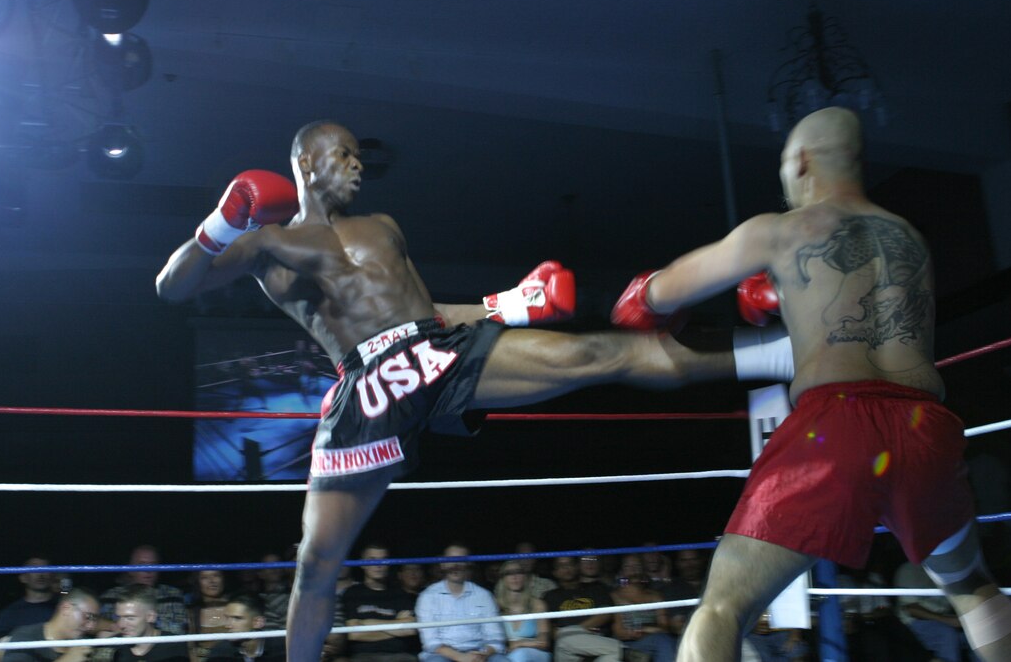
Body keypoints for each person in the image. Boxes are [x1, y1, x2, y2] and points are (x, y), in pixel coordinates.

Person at [155, 120, 790, 662]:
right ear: (306, 162)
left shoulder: (383, 226)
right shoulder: (269, 245)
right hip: (369, 386)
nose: (355, 166)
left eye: (357, 155)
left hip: (434, 353)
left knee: (599, 351)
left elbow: (428, 313)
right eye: (342, 154)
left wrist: (509, 304)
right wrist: (220, 221)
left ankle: (779, 350)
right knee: (317, 563)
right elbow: (172, 287)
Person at [611, 106, 1011, 661]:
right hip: (925, 427)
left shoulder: (783, 229)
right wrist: (787, 299)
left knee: (722, 605)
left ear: (801, 160)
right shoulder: (909, 238)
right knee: (973, 589)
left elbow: (659, 295)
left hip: (835, 427)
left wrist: (642, 296)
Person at [413, 544, 507, 662]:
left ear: (468, 564)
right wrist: (461, 657)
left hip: (479, 652)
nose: (455, 565)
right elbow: (430, 642)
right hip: (442, 655)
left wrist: (482, 654)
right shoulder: (427, 596)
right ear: (442, 564)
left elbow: (495, 637)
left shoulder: (484, 595)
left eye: (460, 560)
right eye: (450, 560)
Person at [341, 543, 420, 662]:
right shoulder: (352, 593)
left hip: (400, 656)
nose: (378, 565)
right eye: (372, 560)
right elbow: (354, 634)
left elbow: (409, 629)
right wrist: (396, 623)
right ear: (362, 564)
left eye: (383, 560)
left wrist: (366, 624)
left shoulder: (400, 594)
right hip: (363, 657)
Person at [541, 556, 620, 662]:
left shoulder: (596, 588)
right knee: (564, 639)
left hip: (597, 642)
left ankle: (621, 650)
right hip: (567, 648)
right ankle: (624, 649)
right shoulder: (550, 596)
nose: (567, 568)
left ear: (577, 566)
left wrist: (576, 630)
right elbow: (550, 629)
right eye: (561, 566)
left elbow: (605, 614)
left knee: (612, 658)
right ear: (555, 572)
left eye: (570, 564)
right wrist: (578, 632)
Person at [99, 547, 187, 636]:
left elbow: (178, 629)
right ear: (130, 569)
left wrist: (142, 621)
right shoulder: (111, 596)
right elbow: (98, 626)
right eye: (142, 564)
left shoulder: (172, 595)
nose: (148, 570)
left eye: (153, 565)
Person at [1, 587, 100, 662]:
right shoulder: (26, 637)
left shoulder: (83, 645)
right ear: (67, 609)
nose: (90, 626)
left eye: (94, 620)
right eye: (88, 617)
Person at [111, 585, 190, 662]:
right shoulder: (113, 646)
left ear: (151, 617)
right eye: (118, 617)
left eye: (130, 618)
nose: (121, 625)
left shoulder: (175, 646)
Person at [492, 562, 550, 662]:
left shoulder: (537, 604)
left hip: (535, 652)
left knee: (520, 655)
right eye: (509, 573)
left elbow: (544, 643)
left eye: (518, 572)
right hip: (507, 652)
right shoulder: (495, 605)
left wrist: (519, 643)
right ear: (503, 578)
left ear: (525, 576)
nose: (515, 577)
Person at [207, 594, 285, 662]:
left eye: (237, 618)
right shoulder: (220, 653)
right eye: (227, 618)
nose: (228, 625)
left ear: (258, 622)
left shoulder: (282, 650)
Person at [0, 559, 57, 638]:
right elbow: (0, 645)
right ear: (23, 578)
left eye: (45, 569)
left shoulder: (64, 609)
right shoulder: (9, 614)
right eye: (34, 569)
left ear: (53, 575)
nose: (41, 574)